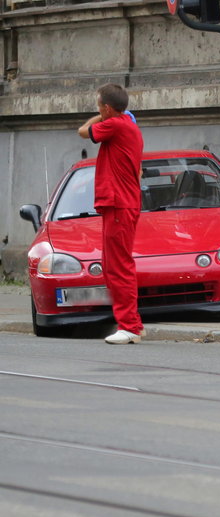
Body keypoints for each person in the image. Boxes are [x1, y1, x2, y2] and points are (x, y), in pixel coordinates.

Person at [77, 83, 145, 344]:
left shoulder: (115, 125)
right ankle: (133, 323)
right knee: (115, 265)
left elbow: (82, 131)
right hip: (121, 204)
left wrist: (104, 115)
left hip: (118, 204)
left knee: (119, 267)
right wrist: (114, 112)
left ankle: (129, 326)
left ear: (106, 108)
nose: (97, 109)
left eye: (99, 105)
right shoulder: (129, 127)